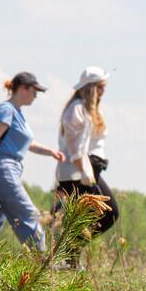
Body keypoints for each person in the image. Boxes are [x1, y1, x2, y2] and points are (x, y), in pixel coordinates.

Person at [0, 72, 65, 264]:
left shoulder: (18, 113)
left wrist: (51, 152)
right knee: (28, 213)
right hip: (2, 169)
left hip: (9, 169)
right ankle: (43, 262)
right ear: (23, 88)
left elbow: (28, 143)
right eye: (34, 91)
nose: (36, 95)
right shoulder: (6, 109)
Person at [54, 67, 119, 235]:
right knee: (106, 213)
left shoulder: (89, 109)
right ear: (90, 88)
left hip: (86, 170)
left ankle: (70, 255)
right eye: (100, 87)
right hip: (77, 173)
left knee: (96, 216)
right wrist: (85, 173)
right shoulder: (77, 109)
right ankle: (67, 253)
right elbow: (76, 148)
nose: (103, 91)